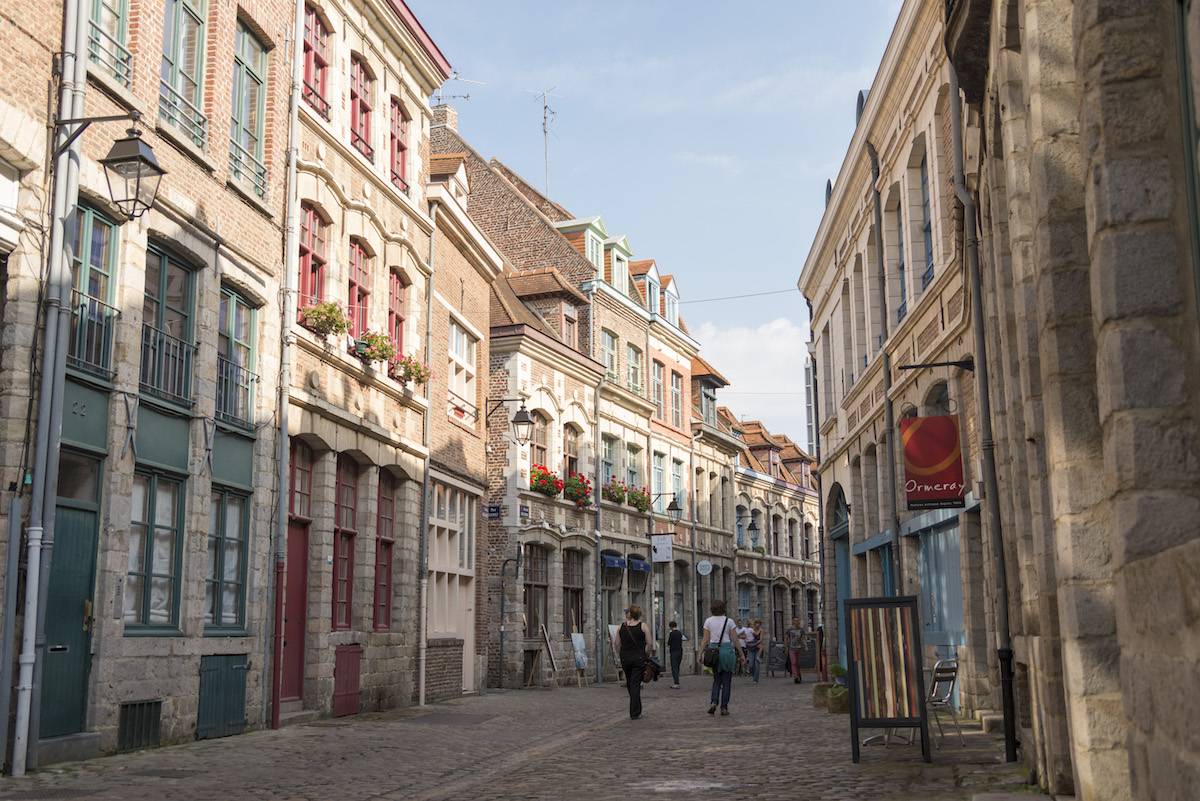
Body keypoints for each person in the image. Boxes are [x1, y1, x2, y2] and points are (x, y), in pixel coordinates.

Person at [700, 600, 745, 716]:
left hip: (713, 651)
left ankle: (714, 701)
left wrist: (700, 653)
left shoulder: (708, 621)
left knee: (716, 680)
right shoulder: (729, 621)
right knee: (726, 681)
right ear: (723, 609)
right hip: (726, 651)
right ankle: (724, 707)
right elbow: (735, 639)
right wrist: (741, 654)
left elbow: (705, 640)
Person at [612, 605, 652, 720]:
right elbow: (649, 643)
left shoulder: (621, 627)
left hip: (625, 658)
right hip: (638, 659)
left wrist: (621, 654)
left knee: (630, 683)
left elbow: (616, 644)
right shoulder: (643, 626)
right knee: (635, 684)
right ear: (638, 614)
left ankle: (637, 709)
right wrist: (646, 654)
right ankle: (634, 712)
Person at [786, 617, 808, 684]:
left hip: (799, 648)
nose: (796, 622)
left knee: (797, 663)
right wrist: (786, 647)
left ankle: (799, 676)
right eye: (794, 621)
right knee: (794, 662)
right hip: (791, 648)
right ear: (793, 621)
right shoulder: (790, 629)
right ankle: (795, 676)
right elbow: (786, 638)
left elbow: (803, 639)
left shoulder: (801, 630)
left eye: (797, 621)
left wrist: (805, 646)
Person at [745, 619, 765, 683]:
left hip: (758, 648)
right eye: (756, 623)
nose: (757, 625)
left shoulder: (761, 630)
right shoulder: (752, 629)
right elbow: (748, 636)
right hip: (751, 647)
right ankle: (753, 674)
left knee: (757, 664)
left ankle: (755, 679)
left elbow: (761, 639)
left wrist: (756, 644)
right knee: (751, 664)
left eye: (759, 623)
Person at [668, 621, 684, 688]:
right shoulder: (679, 633)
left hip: (674, 651)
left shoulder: (672, 633)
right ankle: (677, 681)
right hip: (680, 651)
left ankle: (676, 683)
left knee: (674, 667)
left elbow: (669, 642)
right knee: (677, 667)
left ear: (671, 627)